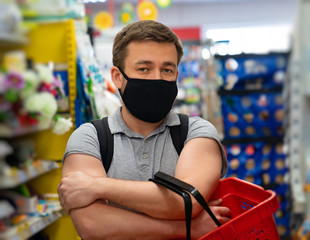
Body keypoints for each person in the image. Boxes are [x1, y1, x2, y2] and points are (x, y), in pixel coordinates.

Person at [58, 20, 231, 240]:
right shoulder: (90, 138)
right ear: (117, 77)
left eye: (167, 69)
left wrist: (97, 186)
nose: (157, 78)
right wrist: (188, 229)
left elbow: (186, 201)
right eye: (144, 69)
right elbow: (92, 226)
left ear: (176, 76)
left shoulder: (196, 132)